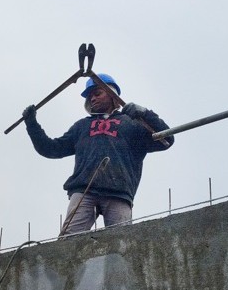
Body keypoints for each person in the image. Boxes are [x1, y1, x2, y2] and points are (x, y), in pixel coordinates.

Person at [22, 73, 174, 236]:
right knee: (69, 241)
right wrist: (32, 125)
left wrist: (145, 113)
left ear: (112, 94)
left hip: (118, 192)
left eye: (97, 93)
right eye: (89, 97)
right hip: (84, 191)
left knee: (121, 241)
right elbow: (51, 148)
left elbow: (166, 139)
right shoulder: (82, 126)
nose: (92, 99)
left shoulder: (132, 124)